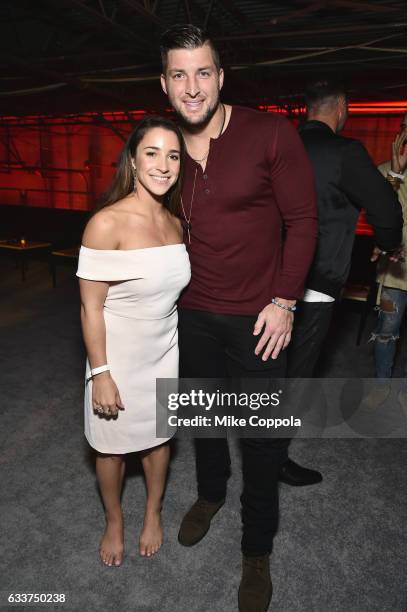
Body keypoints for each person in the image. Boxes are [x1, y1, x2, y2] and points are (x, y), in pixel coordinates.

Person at [160, 25, 318, 612]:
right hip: (190, 314)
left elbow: (303, 220)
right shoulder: (164, 142)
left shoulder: (270, 132)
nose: (192, 86)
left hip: (259, 319)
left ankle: (257, 549)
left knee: (259, 438)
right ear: (165, 83)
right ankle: (208, 494)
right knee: (201, 416)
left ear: (221, 77)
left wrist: (285, 301)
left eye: (203, 72)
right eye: (180, 74)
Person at [76, 117, 191, 567]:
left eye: (173, 155)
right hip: (116, 359)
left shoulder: (175, 223)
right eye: (152, 153)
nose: (163, 165)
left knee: (159, 440)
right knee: (110, 447)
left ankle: (153, 512)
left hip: (164, 352)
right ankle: (114, 521)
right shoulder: (106, 224)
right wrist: (101, 374)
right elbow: (90, 309)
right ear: (132, 160)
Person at [287, 80, 403, 382]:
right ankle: (278, 427)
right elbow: (386, 208)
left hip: (269, 275)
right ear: (341, 108)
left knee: (268, 355)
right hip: (319, 277)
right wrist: (388, 242)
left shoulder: (279, 145)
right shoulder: (344, 152)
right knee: (300, 362)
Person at [370, 114, 407, 383]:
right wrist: (396, 173)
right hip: (395, 274)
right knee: (387, 332)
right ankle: (381, 384)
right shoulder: (385, 172)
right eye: (405, 127)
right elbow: (381, 217)